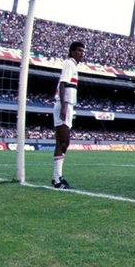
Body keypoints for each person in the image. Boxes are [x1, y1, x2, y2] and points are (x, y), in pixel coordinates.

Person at [51, 41, 84, 189]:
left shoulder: (74, 66)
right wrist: (64, 106)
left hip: (69, 105)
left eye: (82, 51)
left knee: (66, 142)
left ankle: (56, 176)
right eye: (78, 50)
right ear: (71, 52)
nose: (81, 53)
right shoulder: (69, 63)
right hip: (64, 105)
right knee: (62, 141)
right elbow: (63, 84)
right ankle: (57, 179)